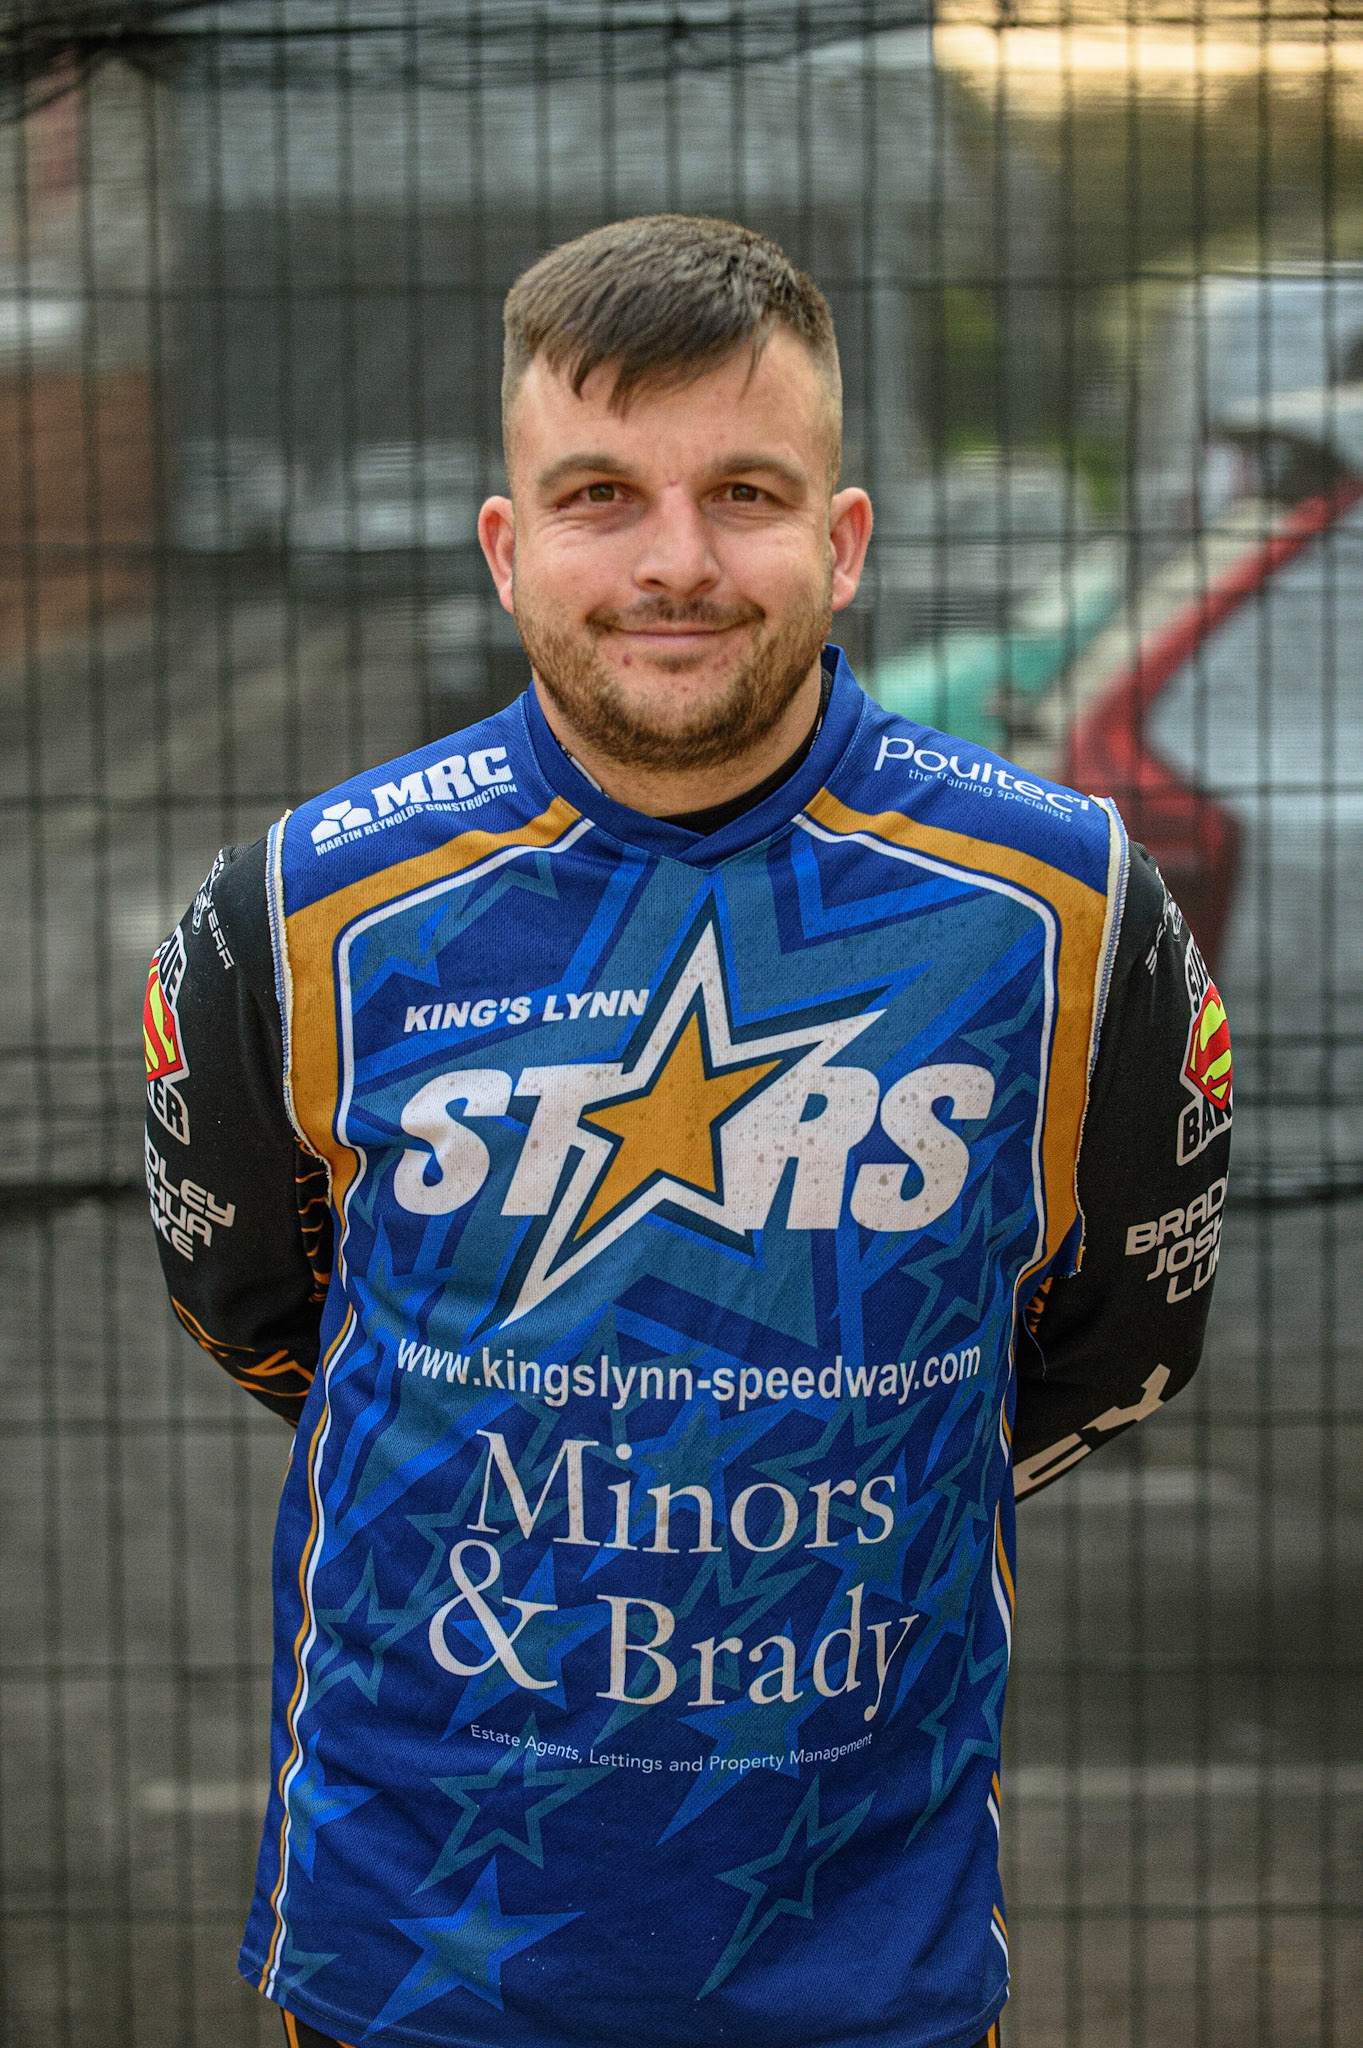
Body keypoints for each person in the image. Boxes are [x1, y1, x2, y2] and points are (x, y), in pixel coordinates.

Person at [145, 216, 1232, 2048]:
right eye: (598, 496)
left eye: (744, 489)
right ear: (508, 548)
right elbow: (267, 1320)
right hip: (414, 1957)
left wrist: (840, 1460)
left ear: (844, 538)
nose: (676, 562)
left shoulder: (1065, 914)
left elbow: (1126, 1341)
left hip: (863, 1966)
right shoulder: (300, 917)